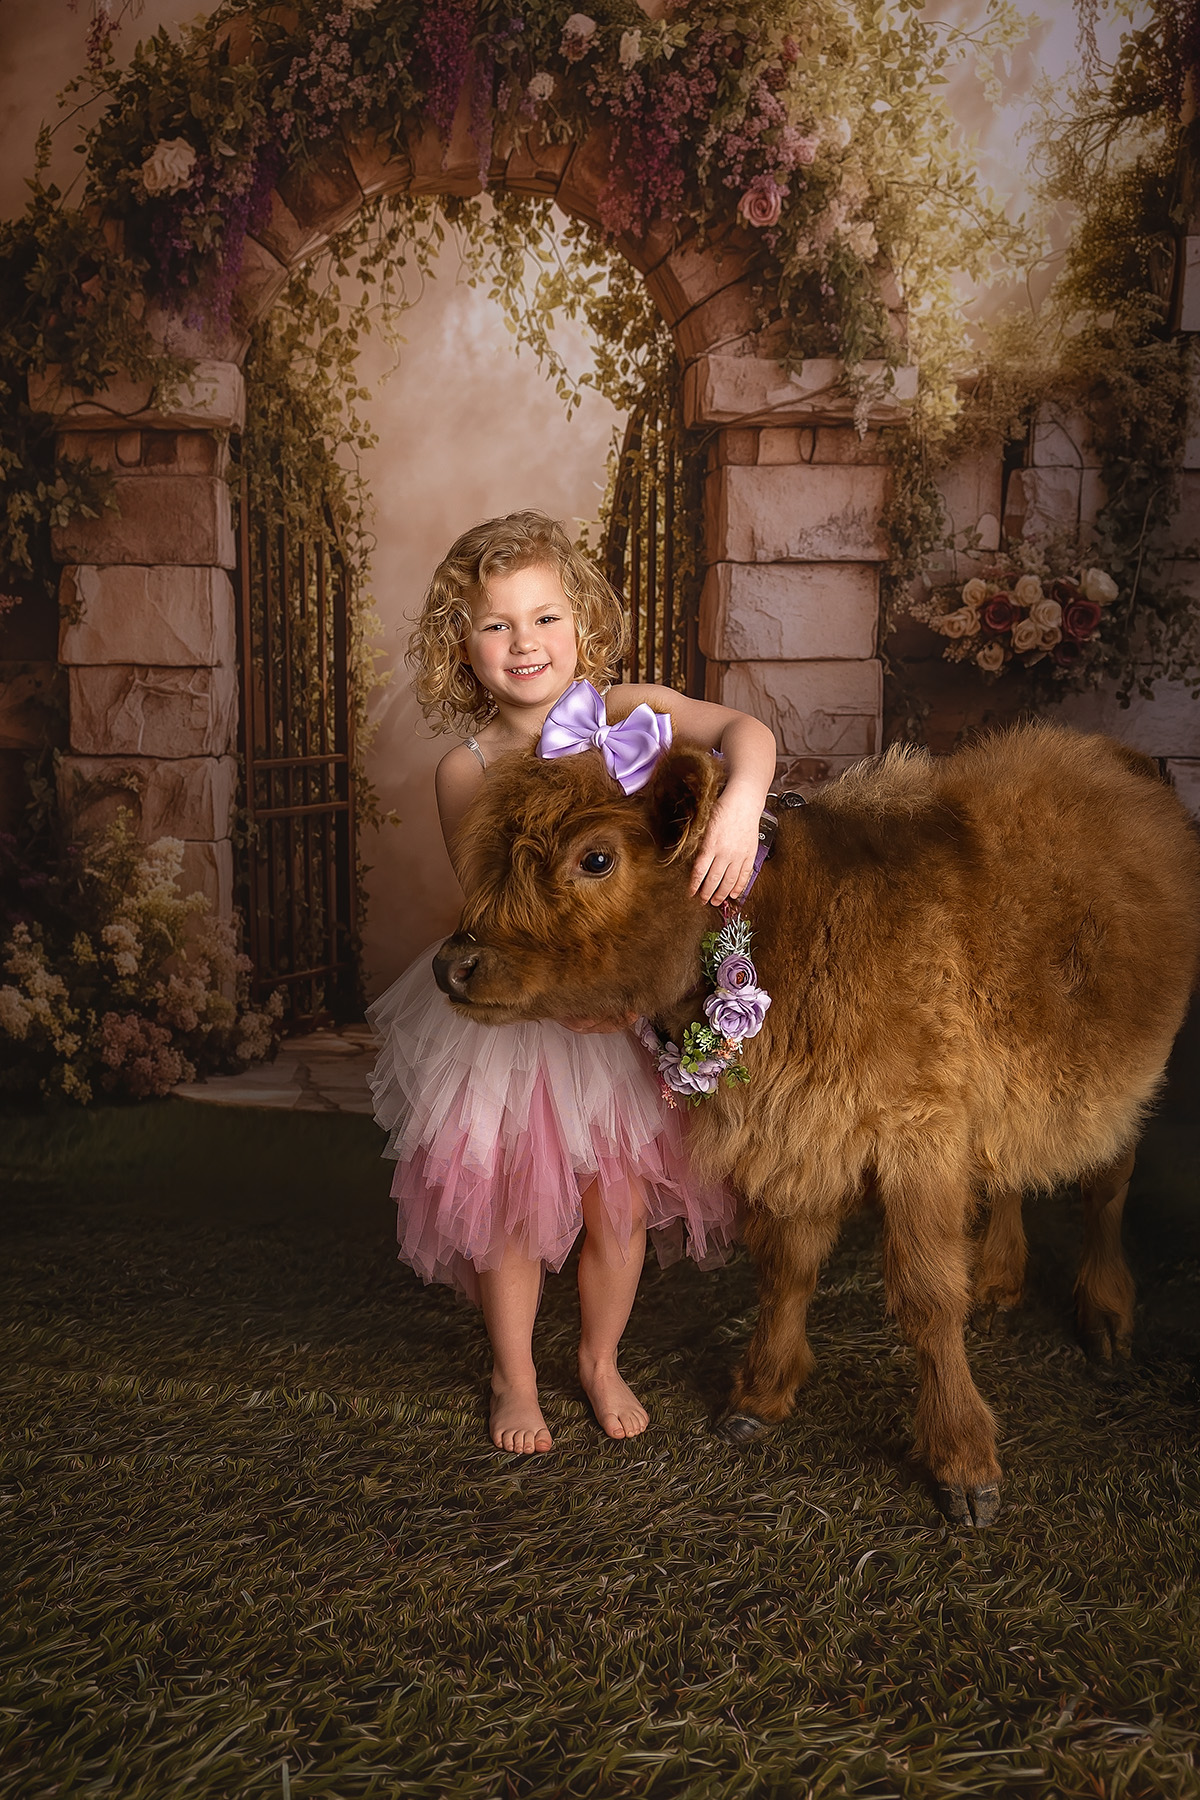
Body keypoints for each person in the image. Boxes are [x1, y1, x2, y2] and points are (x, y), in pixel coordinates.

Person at [369, 510, 777, 1456]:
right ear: (459, 650)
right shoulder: (464, 769)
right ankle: (515, 1376)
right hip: (521, 1020)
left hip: (617, 1008)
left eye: (545, 618)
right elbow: (499, 910)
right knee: (513, 1207)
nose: (526, 645)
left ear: (583, 624)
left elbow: (745, 731)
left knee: (620, 1204)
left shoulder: (629, 707)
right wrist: (567, 996)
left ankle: (599, 1356)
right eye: (497, 625)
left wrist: (740, 809)